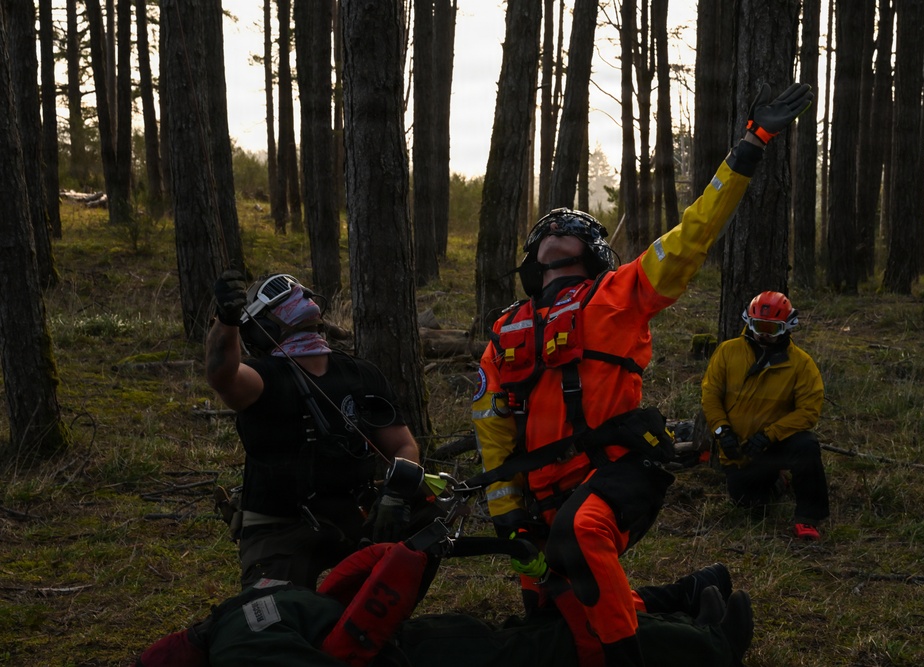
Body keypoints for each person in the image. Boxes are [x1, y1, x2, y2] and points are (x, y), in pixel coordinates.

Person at [470, 82, 813, 666]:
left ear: (593, 253)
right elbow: (493, 433)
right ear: (531, 261)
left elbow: (694, 233)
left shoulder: (620, 294)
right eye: (546, 233)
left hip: (618, 478)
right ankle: (687, 595)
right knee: (556, 614)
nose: (556, 233)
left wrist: (749, 146)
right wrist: (507, 517)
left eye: (569, 233)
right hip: (544, 496)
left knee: (579, 540)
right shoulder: (504, 334)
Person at [130, 541, 754, 667]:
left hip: (424, 645)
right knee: (553, 640)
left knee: (542, 634)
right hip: (426, 648)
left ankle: (685, 623)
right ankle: (705, 641)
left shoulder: (236, 638)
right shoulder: (233, 622)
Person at [207, 271, 421, 590]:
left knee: (426, 534)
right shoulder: (260, 378)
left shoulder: (361, 374)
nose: (305, 300)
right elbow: (222, 376)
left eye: (305, 295)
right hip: (278, 528)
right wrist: (226, 321)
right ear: (261, 330)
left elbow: (405, 447)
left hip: (355, 517)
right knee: (274, 620)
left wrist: (395, 495)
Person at [700, 291, 829, 540]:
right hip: (739, 452)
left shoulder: (801, 364)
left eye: (772, 328)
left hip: (774, 445)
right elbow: (710, 395)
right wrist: (721, 431)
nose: (764, 334)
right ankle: (779, 483)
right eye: (760, 326)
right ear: (749, 321)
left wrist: (770, 436)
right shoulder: (727, 352)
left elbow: (809, 412)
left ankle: (809, 517)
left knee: (807, 446)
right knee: (748, 503)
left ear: (787, 326)